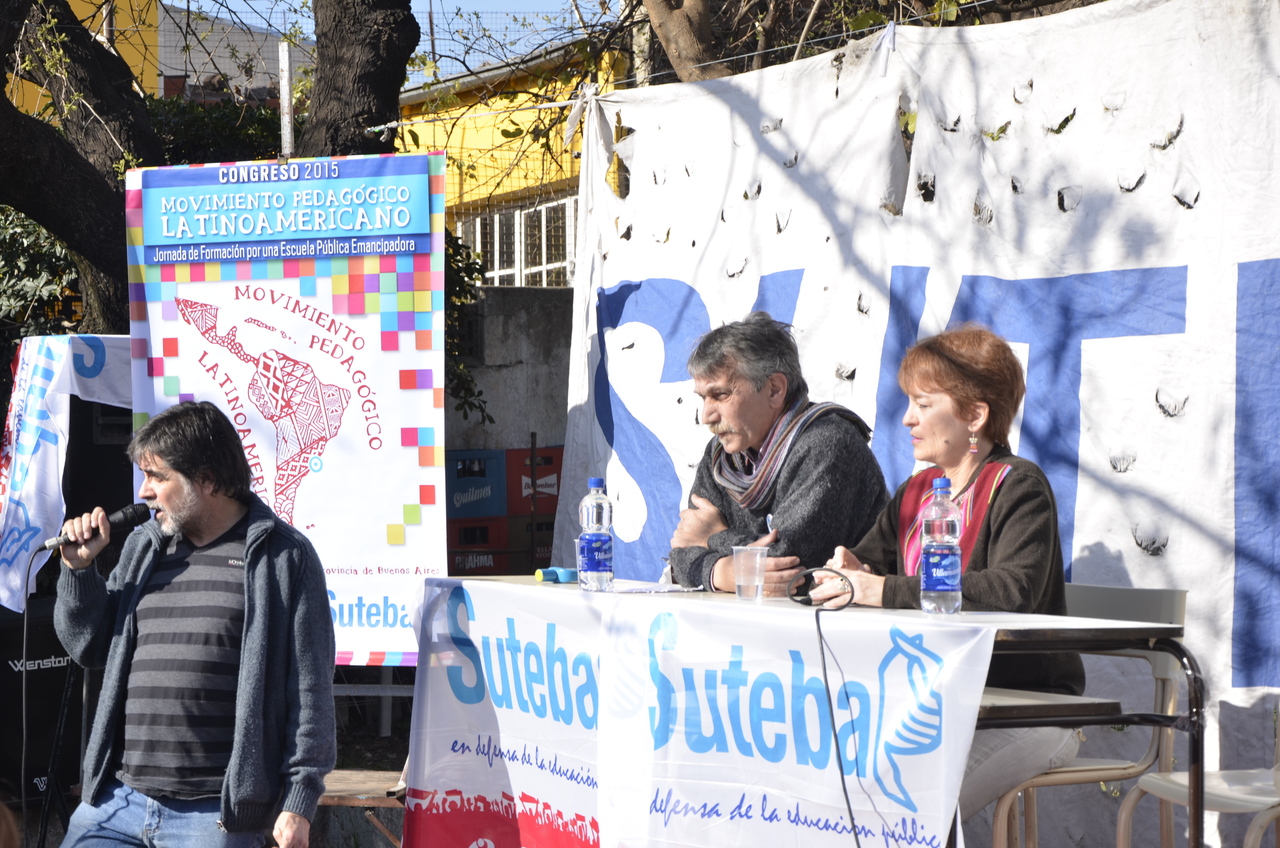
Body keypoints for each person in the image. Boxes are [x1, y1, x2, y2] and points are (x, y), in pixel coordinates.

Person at [811, 323, 1084, 821]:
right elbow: (872, 566)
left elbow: (1011, 591)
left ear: (975, 415)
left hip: (1026, 707)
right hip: (934, 704)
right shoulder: (917, 492)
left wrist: (881, 590)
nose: (907, 418)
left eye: (923, 403)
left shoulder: (1019, 485)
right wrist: (850, 570)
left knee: (910, 810)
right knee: (839, 794)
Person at [54, 401, 335, 848]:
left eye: (157, 477)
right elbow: (88, 647)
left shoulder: (283, 557)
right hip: (118, 801)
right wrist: (79, 571)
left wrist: (299, 799)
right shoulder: (145, 548)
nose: (144, 491)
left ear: (207, 479)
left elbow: (310, 689)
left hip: (215, 814)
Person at [667, 312, 889, 596]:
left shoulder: (828, 444)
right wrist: (721, 572)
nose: (707, 416)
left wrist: (714, 537)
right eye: (703, 397)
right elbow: (682, 551)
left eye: (721, 395)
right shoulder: (721, 456)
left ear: (774, 390)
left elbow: (790, 567)